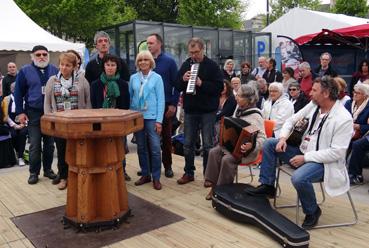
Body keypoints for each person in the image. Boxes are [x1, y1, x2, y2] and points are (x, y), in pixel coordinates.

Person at [246, 76, 353, 230]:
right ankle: (268, 186)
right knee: (270, 143)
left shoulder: (343, 118)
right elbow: (290, 121)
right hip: (303, 151)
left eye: (314, 90)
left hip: (325, 163)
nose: (310, 93)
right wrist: (283, 138)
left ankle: (312, 211)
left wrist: (306, 158)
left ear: (326, 93)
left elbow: (337, 153)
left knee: (299, 178)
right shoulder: (314, 105)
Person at [174, 37, 223, 184]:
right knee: (188, 144)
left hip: (208, 111)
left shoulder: (212, 66)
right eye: (191, 52)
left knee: (208, 144)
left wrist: (202, 83)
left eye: (196, 52)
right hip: (190, 110)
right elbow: (177, 86)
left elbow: (219, 88)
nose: (193, 55)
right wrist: (182, 79)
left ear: (203, 49)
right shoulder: (186, 64)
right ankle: (189, 173)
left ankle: (208, 175)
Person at [204, 84, 266, 200]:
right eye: (236, 95)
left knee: (227, 160)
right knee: (213, 152)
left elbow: (263, 138)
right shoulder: (239, 109)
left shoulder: (256, 116)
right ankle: (213, 186)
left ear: (248, 99)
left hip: (245, 152)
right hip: (230, 147)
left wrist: (251, 146)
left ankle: (222, 190)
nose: (236, 97)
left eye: (239, 96)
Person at [44, 52, 91, 190]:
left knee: (78, 150)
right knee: (62, 150)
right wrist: (49, 119)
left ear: (74, 67)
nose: (64, 68)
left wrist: (87, 118)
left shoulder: (81, 80)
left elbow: (88, 101)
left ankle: (77, 176)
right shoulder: (52, 80)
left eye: (68, 65)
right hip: (60, 123)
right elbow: (47, 102)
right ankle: (64, 177)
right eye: (62, 64)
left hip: (78, 123)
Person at [14, 45, 58, 184]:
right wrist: (20, 112)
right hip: (33, 112)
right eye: (38, 55)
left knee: (50, 144)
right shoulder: (25, 71)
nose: (41, 57)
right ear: (32, 56)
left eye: (44, 54)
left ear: (48, 55)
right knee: (34, 144)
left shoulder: (55, 70)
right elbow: (18, 93)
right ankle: (33, 172)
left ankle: (48, 170)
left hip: (50, 112)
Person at [90, 54, 131, 180]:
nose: (110, 67)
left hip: (118, 121)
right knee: (102, 147)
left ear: (117, 67)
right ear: (103, 66)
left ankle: (122, 171)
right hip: (101, 121)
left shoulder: (123, 84)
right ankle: (104, 171)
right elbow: (94, 104)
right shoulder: (95, 85)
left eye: (113, 65)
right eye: (107, 65)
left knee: (120, 147)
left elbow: (126, 105)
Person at [129, 51, 165, 190]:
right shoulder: (133, 78)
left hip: (152, 118)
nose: (143, 62)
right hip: (138, 117)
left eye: (146, 59)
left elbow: (161, 100)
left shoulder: (157, 78)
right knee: (141, 147)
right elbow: (131, 98)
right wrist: (131, 117)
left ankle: (156, 177)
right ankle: (145, 174)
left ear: (151, 62)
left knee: (155, 149)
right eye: (140, 60)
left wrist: (159, 121)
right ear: (137, 63)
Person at [147, 33, 179, 178]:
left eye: (151, 43)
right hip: (147, 106)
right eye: (148, 43)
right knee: (148, 137)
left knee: (166, 137)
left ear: (159, 44)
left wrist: (173, 104)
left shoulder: (169, 62)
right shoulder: (145, 61)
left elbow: (177, 85)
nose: (149, 45)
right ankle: (149, 167)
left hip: (165, 105)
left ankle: (168, 166)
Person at [2, 82, 27, 166]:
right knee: (13, 135)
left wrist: (23, 123)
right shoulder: (6, 99)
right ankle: (17, 152)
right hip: (11, 123)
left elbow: (28, 112)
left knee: (23, 134)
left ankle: (20, 157)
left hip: (23, 122)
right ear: (12, 90)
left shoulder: (25, 98)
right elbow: (5, 115)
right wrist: (14, 125)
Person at [214, 79, 237, 144]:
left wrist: (213, 117)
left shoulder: (231, 98)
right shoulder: (215, 97)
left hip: (226, 122)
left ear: (227, 87)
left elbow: (226, 112)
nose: (222, 88)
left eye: (224, 86)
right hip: (215, 120)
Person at [0, 99, 17, 168]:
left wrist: (15, 125)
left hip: (1, 126)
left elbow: (6, 117)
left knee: (6, 132)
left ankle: (7, 162)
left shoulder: (2, 102)